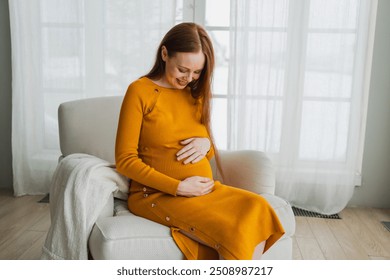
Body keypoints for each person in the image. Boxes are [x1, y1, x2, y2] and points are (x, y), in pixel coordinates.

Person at [115, 22, 284, 260]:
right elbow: (125, 160)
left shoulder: (196, 92)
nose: (189, 78)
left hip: (202, 190)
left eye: (197, 72)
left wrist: (207, 143)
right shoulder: (139, 91)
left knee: (259, 208)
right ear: (165, 54)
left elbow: (208, 153)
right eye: (183, 70)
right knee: (233, 230)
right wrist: (178, 187)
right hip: (153, 195)